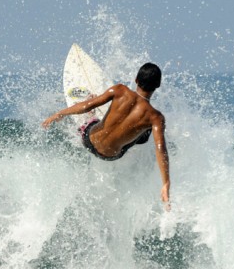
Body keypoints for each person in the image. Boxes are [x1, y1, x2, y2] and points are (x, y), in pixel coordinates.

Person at [42, 63, 170, 207]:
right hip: (111, 156)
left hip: (88, 140)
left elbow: (87, 105)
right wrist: (165, 183)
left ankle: (92, 118)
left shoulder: (119, 90)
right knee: (145, 132)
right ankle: (132, 131)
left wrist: (60, 113)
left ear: (136, 80)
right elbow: (161, 149)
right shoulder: (156, 117)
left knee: (93, 118)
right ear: (158, 85)